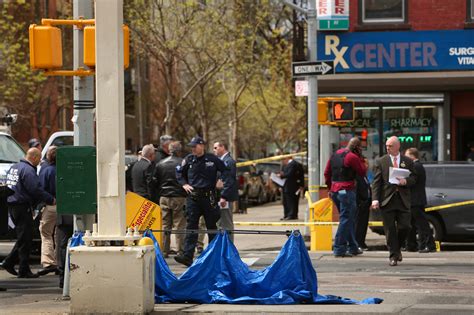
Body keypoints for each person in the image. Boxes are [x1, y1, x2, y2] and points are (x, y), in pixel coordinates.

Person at [174, 136, 229, 267]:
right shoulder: (189, 159)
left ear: (202, 146)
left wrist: (221, 180)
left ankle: (214, 255)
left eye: (195, 146)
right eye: (191, 146)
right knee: (191, 226)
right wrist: (184, 184)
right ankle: (187, 256)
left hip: (208, 197)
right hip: (193, 198)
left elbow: (226, 170)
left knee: (211, 226)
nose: (193, 149)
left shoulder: (212, 159)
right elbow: (179, 173)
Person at [0, 148, 55, 278]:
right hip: (22, 206)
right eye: (39, 158)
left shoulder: (15, 167)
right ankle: (21, 268)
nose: (40, 161)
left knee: (24, 237)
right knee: (26, 237)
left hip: (12, 205)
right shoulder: (28, 171)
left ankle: (10, 262)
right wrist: (50, 199)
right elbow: (35, 189)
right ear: (34, 157)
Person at [371, 136, 416, 266]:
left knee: (405, 227)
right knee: (390, 230)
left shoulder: (407, 161)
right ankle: (393, 256)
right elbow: (376, 183)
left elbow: (414, 178)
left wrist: (406, 181)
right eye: (386, 146)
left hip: (403, 200)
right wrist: (375, 199)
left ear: (397, 146)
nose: (387, 148)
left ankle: (397, 248)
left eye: (390, 146)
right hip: (387, 200)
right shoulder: (381, 161)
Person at [324, 137, 367, 257]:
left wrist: (329, 188)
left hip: (335, 191)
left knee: (347, 219)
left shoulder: (335, 155)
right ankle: (339, 248)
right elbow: (362, 171)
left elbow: (327, 173)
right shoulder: (352, 157)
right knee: (346, 219)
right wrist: (361, 158)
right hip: (347, 191)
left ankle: (353, 247)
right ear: (357, 147)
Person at [154, 141, 187, 257]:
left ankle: (164, 250)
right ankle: (180, 250)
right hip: (179, 196)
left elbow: (155, 181)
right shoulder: (183, 163)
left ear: (169, 150)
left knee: (165, 225)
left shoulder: (160, 164)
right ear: (179, 150)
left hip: (164, 196)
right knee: (179, 224)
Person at [405, 147, 436, 253]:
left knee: (422, 224)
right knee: (412, 224)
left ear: (412, 156)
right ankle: (412, 245)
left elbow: (411, 181)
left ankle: (429, 245)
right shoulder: (417, 166)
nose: (405, 157)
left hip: (416, 200)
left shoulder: (416, 166)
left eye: (407, 155)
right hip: (415, 200)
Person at [37, 146, 58, 276]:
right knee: (58, 234)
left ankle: (49, 262)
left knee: (46, 234)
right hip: (64, 206)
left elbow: (40, 190)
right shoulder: (65, 170)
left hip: (50, 206)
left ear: (49, 157)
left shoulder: (46, 171)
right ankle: (58, 261)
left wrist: (50, 199)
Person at [213, 141, 239, 242]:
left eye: (215, 148)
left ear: (222, 147)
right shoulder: (221, 161)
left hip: (225, 197)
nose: (214, 150)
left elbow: (229, 180)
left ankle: (229, 247)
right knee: (220, 223)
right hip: (220, 196)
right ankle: (223, 246)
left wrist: (223, 196)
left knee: (226, 223)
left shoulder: (228, 161)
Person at [279, 155, 304, 220]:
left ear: (287, 158)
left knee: (292, 201)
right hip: (286, 186)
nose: (282, 161)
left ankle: (291, 215)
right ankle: (287, 214)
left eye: (283, 159)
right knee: (286, 201)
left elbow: (290, 174)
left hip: (292, 186)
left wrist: (282, 175)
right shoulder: (286, 165)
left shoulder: (294, 164)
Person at [355, 157, 371, 251]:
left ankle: (362, 241)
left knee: (364, 224)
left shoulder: (365, 176)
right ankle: (358, 242)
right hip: (361, 203)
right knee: (359, 224)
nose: (367, 166)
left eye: (367, 164)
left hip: (366, 203)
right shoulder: (358, 176)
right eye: (365, 164)